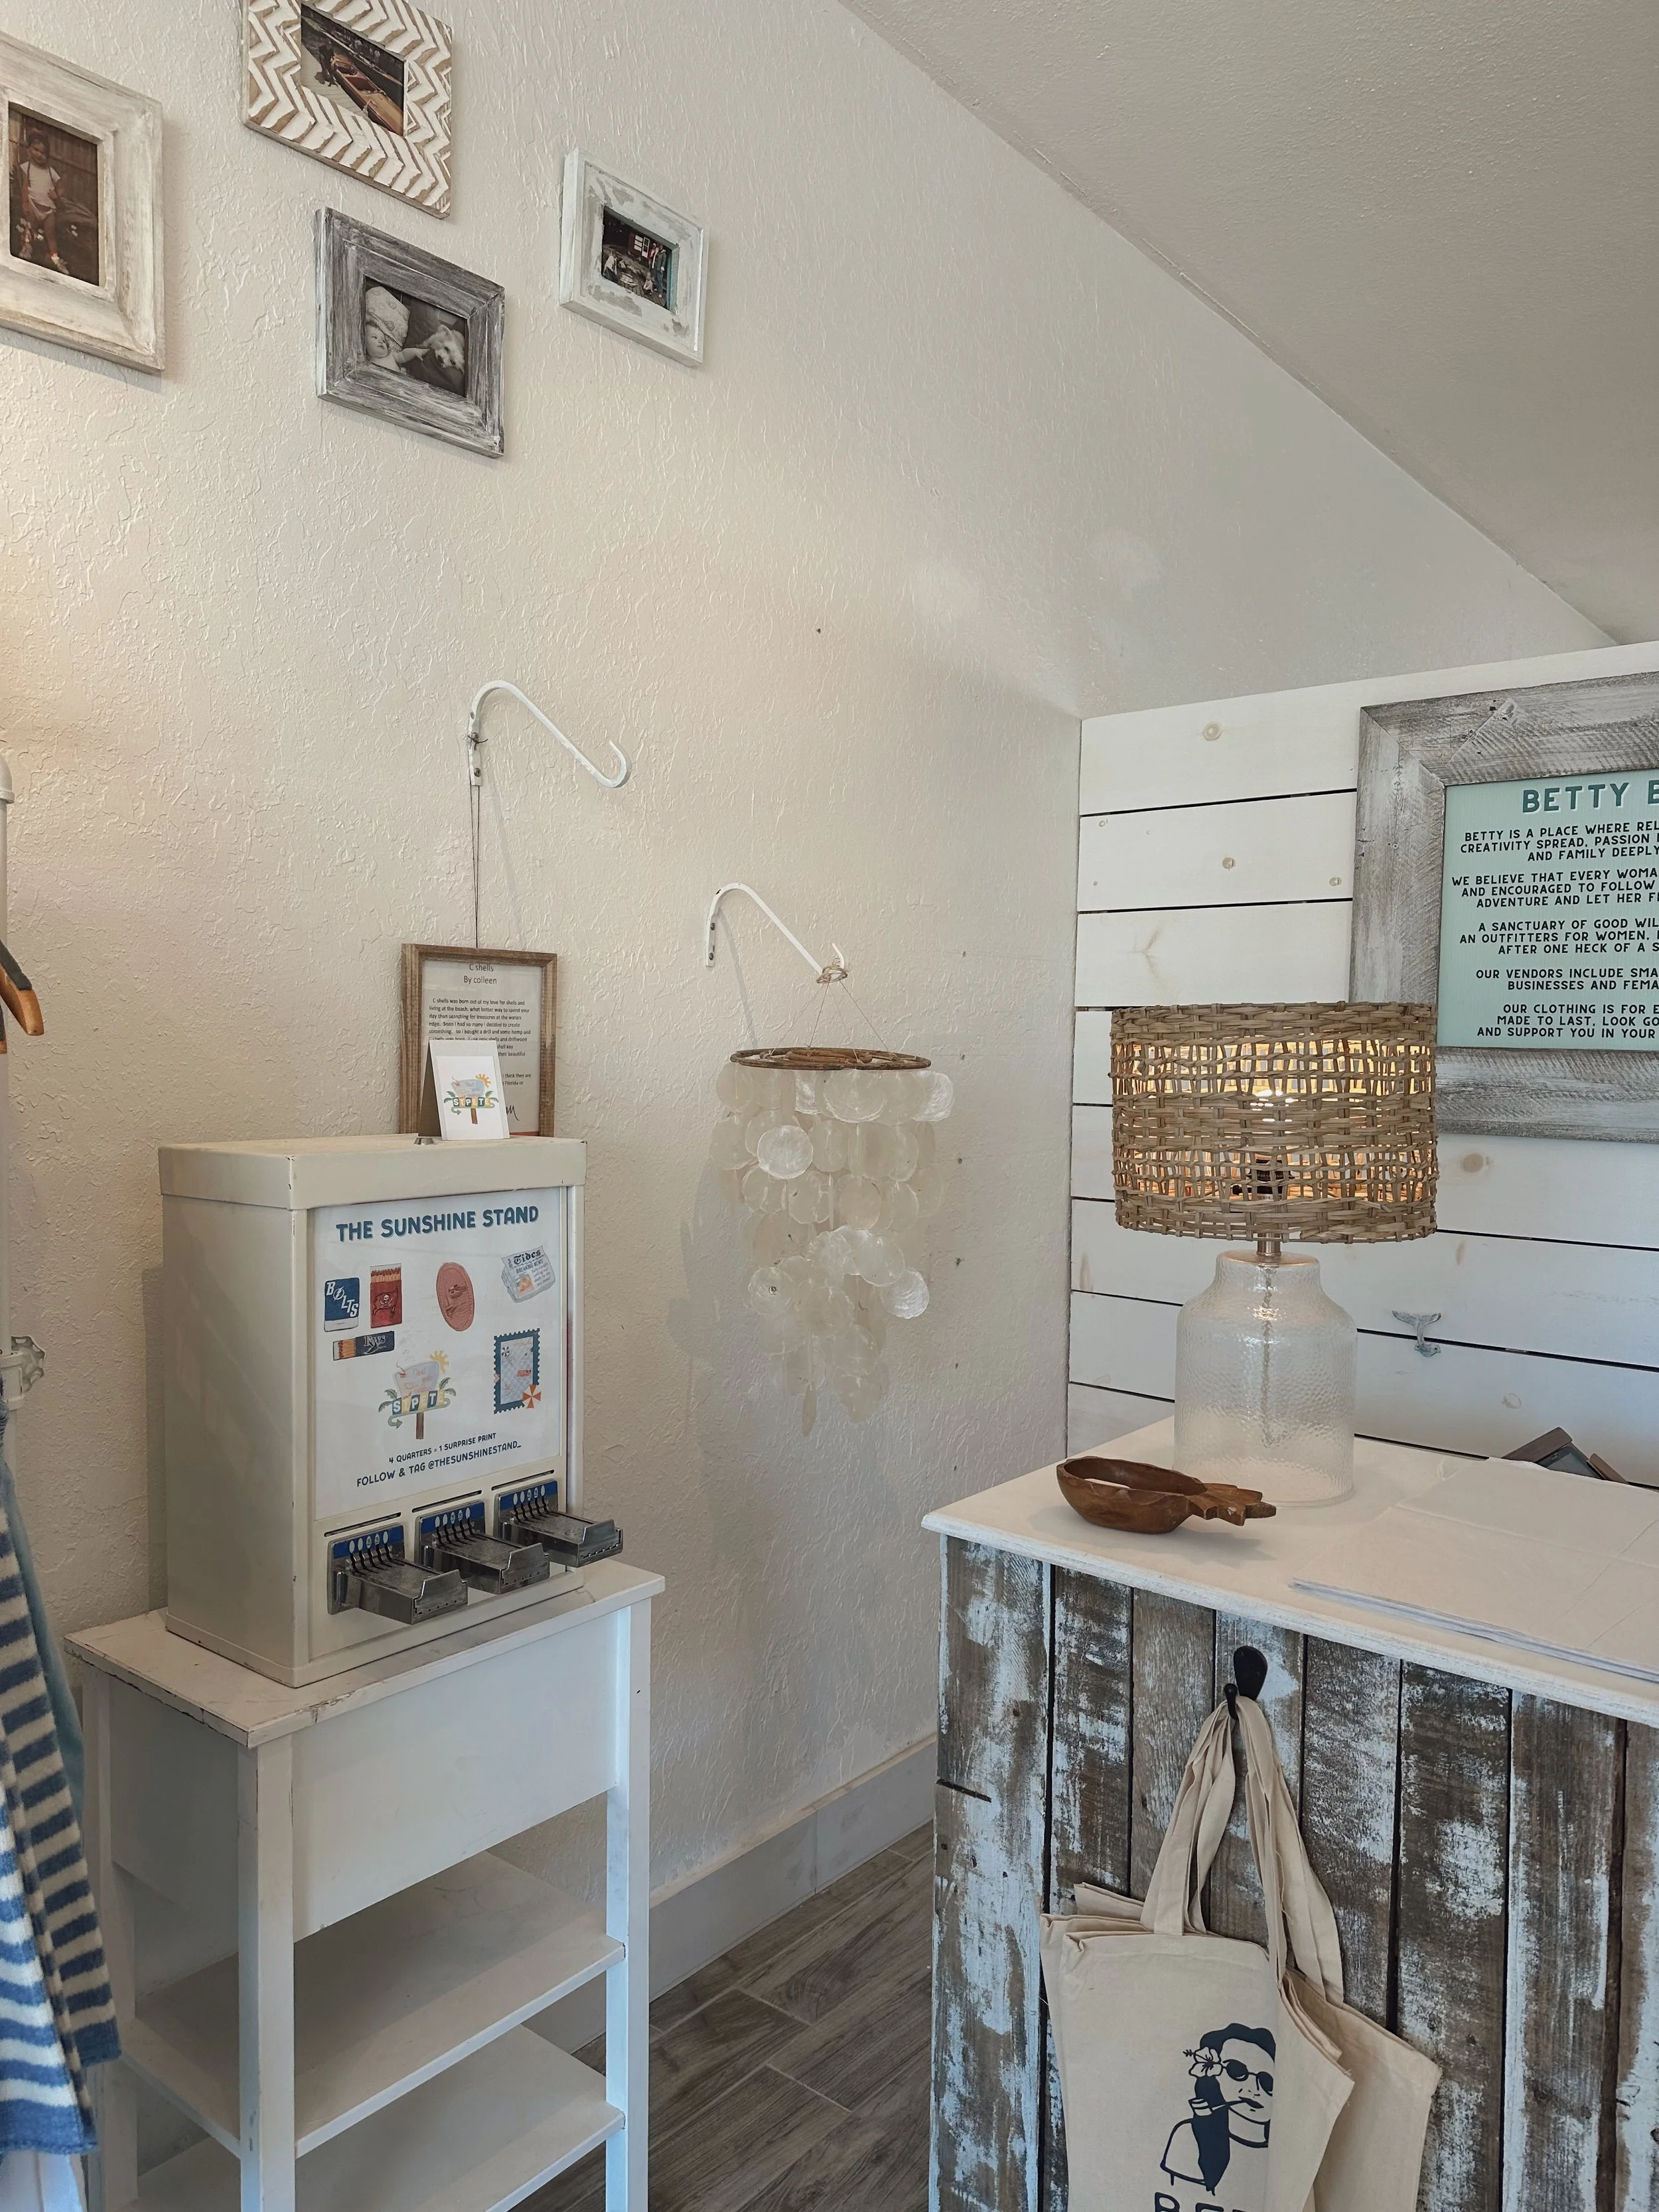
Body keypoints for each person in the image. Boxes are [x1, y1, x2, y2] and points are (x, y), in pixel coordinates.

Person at [1161, 2024, 1275, 2195]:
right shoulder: (1188, 2135)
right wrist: (1204, 2128)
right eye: (1237, 2071)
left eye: (1267, 2082)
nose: (1253, 2089)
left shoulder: (1284, 2156)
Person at [13, 125, 67, 275]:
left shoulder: (51, 171)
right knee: (29, 227)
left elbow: (62, 187)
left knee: (51, 235)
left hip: (49, 209)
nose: (39, 155)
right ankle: (27, 246)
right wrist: (25, 203)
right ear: (29, 149)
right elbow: (25, 187)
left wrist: (58, 194)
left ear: (47, 155)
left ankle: (55, 256)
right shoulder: (27, 167)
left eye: (43, 152)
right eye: (36, 150)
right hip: (34, 205)